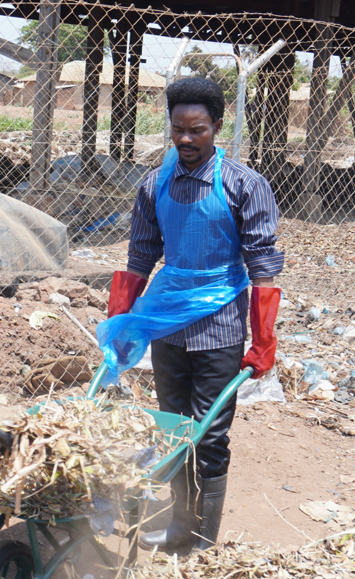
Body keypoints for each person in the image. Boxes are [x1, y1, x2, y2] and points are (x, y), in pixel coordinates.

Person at [99, 77, 283, 553]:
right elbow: (139, 257)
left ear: (217, 127)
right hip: (167, 324)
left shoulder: (245, 185)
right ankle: (181, 525)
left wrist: (263, 341)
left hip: (220, 324)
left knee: (210, 434)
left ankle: (203, 538)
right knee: (174, 427)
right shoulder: (154, 184)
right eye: (177, 129)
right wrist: (121, 323)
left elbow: (262, 267)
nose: (185, 139)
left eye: (197, 129)